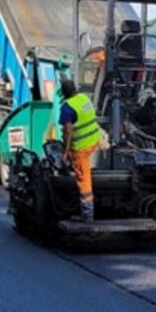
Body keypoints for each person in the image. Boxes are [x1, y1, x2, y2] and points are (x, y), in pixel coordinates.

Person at [59, 79, 100, 222]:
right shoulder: (84, 98)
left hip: (81, 148)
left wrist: (65, 153)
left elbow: (67, 133)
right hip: (94, 141)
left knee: (84, 180)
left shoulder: (67, 108)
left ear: (63, 93)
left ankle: (87, 214)